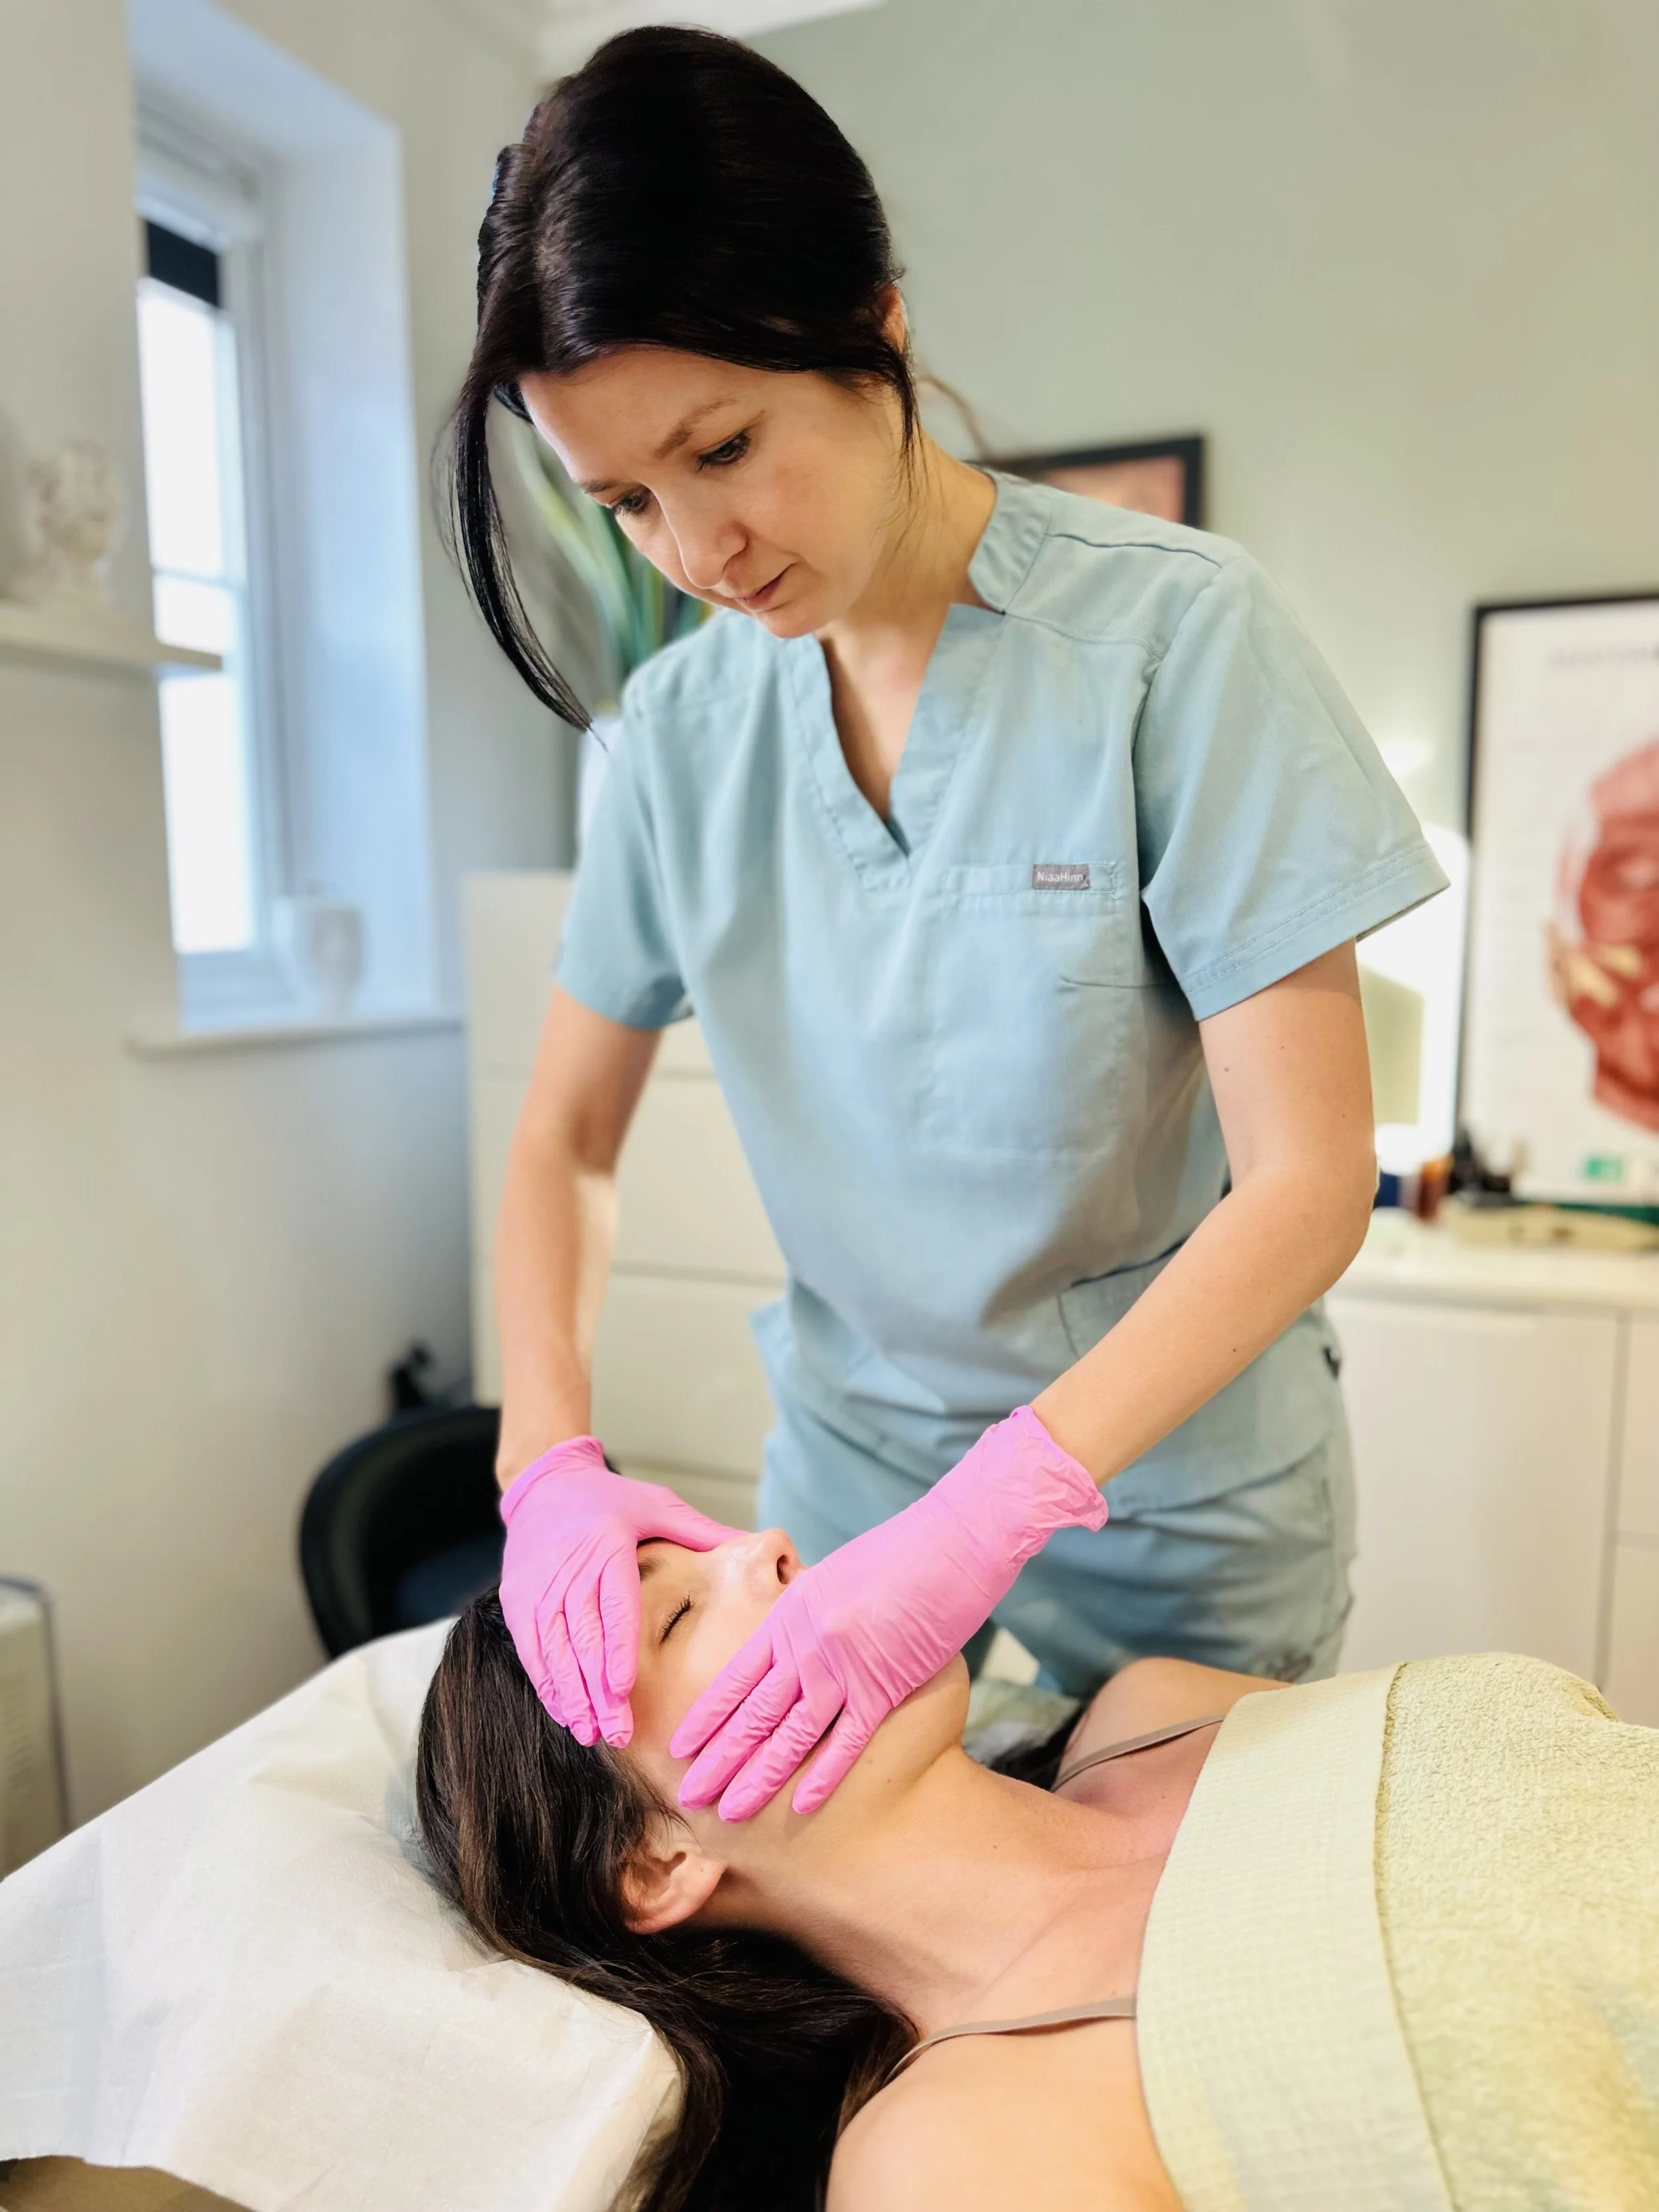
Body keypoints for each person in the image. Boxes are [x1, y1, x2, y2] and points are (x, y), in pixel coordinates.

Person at [444, 25, 1450, 1817]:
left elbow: (1304, 1181)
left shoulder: (1171, 643)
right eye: (625, 503)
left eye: (724, 445)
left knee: (1148, 1966)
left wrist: (991, 1512)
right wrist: (545, 1464)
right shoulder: (682, 735)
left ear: (877, 328)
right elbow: (562, 1137)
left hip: (1171, 1504)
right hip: (847, 1495)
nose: (697, 551)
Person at [416, 1529, 1659, 2212]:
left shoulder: (1162, 1705)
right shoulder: (952, 2157)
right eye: (680, 1612)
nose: (776, 1550)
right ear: (655, 1860)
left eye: (723, 1535)